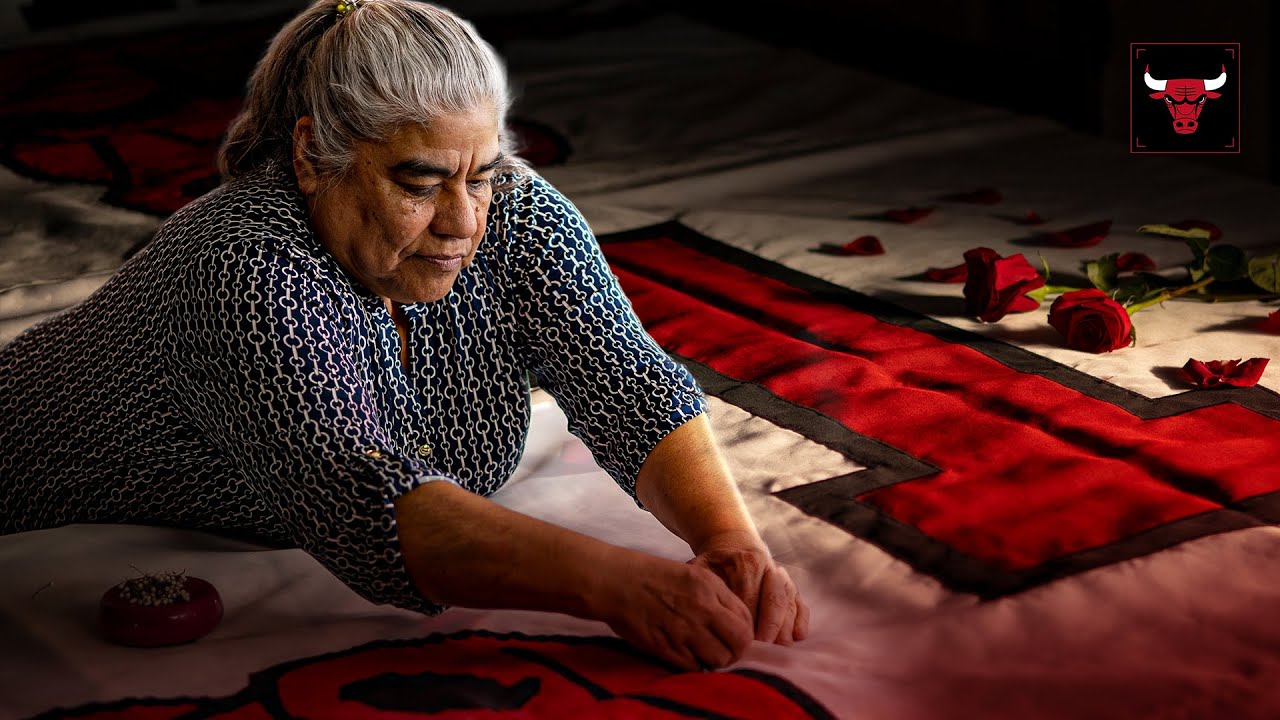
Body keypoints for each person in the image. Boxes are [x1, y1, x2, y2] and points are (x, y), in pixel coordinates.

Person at [0, 0, 806, 670]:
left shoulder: (515, 214)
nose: (462, 221)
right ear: (314, 155)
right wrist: (619, 584)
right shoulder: (243, 266)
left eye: (482, 174)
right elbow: (368, 499)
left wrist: (727, 538)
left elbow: (625, 378)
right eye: (417, 182)